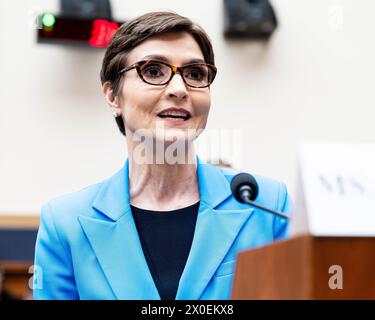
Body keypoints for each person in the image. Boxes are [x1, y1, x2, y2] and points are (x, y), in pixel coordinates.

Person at [33, 11, 293, 300]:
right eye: (153, 71)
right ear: (112, 96)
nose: (180, 89)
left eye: (195, 74)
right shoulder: (65, 222)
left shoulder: (267, 206)